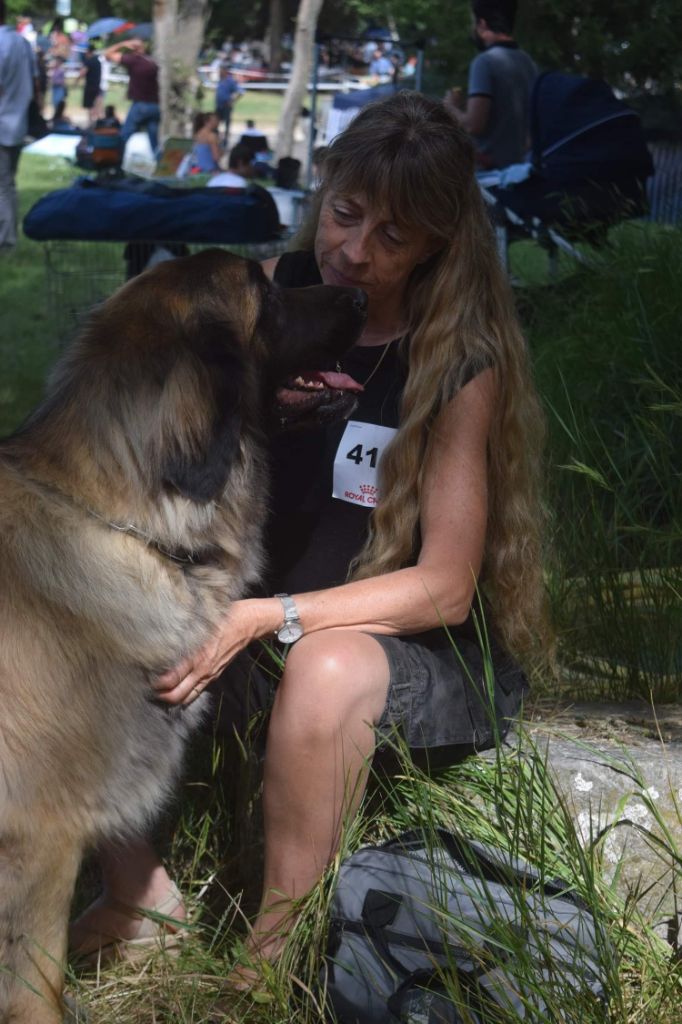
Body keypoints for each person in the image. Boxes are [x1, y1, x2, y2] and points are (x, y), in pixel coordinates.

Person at [68, 92, 547, 985]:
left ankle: (272, 959)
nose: (355, 251)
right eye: (345, 214)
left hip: (399, 654)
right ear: (320, 189)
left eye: (394, 237)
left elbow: (444, 587)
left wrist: (267, 616)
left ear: (440, 242)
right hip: (248, 629)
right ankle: (141, 899)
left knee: (325, 667)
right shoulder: (255, 301)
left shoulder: (457, 361)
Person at [444, 0, 536, 170]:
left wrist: (450, 107)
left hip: (491, 173)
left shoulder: (485, 62)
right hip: (521, 168)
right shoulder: (527, 61)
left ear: (482, 24)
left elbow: (473, 125)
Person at [0, 0, 38, 250]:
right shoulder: (22, 42)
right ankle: (8, 237)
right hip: (18, 122)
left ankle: (6, 241)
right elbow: (36, 84)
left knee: (3, 185)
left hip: (3, 123)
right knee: (7, 184)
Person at [103, 37, 160, 156]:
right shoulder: (151, 62)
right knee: (154, 140)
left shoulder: (134, 60)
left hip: (141, 105)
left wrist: (122, 43)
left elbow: (107, 54)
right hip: (155, 106)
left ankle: (116, 161)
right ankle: (160, 165)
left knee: (125, 135)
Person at [214, 63, 243, 147]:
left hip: (226, 106)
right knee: (216, 123)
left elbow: (240, 92)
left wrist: (232, 101)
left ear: (225, 71)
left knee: (227, 124)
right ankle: (216, 140)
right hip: (218, 106)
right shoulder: (220, 80)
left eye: (221, 70)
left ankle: (225, 142)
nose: (219, 72)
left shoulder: (230, 81)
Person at [79, 42, 103, 126]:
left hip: (90, 86)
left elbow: (83, 72)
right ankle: (97, 122)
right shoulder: (98, 61)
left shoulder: (89, 61)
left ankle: (91, 123)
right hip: (97, 85)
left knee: (90, 106)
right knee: (97, 105)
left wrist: (77, 80)